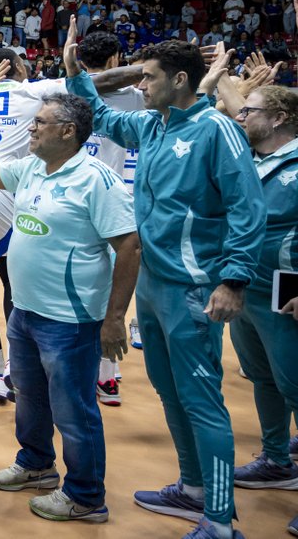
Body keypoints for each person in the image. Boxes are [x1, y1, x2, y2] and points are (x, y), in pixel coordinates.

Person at [64, 26, 264, 539]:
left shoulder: (215, 131)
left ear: (179, 80)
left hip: (194, 287)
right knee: (169, 390)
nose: (141, 85)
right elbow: (100, 116)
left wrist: (234, 279)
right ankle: (192, 489)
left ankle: (219, 519)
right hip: (152, 284)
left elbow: (247, 208)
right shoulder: (153, 125)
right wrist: (75, 73)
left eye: (149, 77)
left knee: (201, 399)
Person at [0, 92, 139, 523]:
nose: (32, 127)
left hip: (71, 319)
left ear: (68, 131)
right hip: (24, 311)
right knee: (30, 396)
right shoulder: (32, 168)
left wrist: (115, 318)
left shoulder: (97, 180)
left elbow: (130, 246)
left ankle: (85, 497)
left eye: (41, 122)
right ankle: (36, 465)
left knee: (74, 410)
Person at [0, 47, 139, 403]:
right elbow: (97, 81)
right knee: (12, 283)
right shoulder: (32, 91)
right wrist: (149, 68)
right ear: (19, 67)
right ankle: (14, 368)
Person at [228, 86, 298, 503]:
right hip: (248, 288)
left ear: (278, 118)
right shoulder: (251, 159)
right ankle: (276, 460)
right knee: (264, 377)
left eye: (247, 111)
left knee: (295, 384)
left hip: (288, 293)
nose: (240, 117)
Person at [75, 30, 145, 404]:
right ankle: (107, 374)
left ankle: (85, 369)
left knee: (77, 288)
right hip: (117, 200)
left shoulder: (70, 92)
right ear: (117, 59)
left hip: (73, 199)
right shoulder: (136, 97)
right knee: (113, 290)